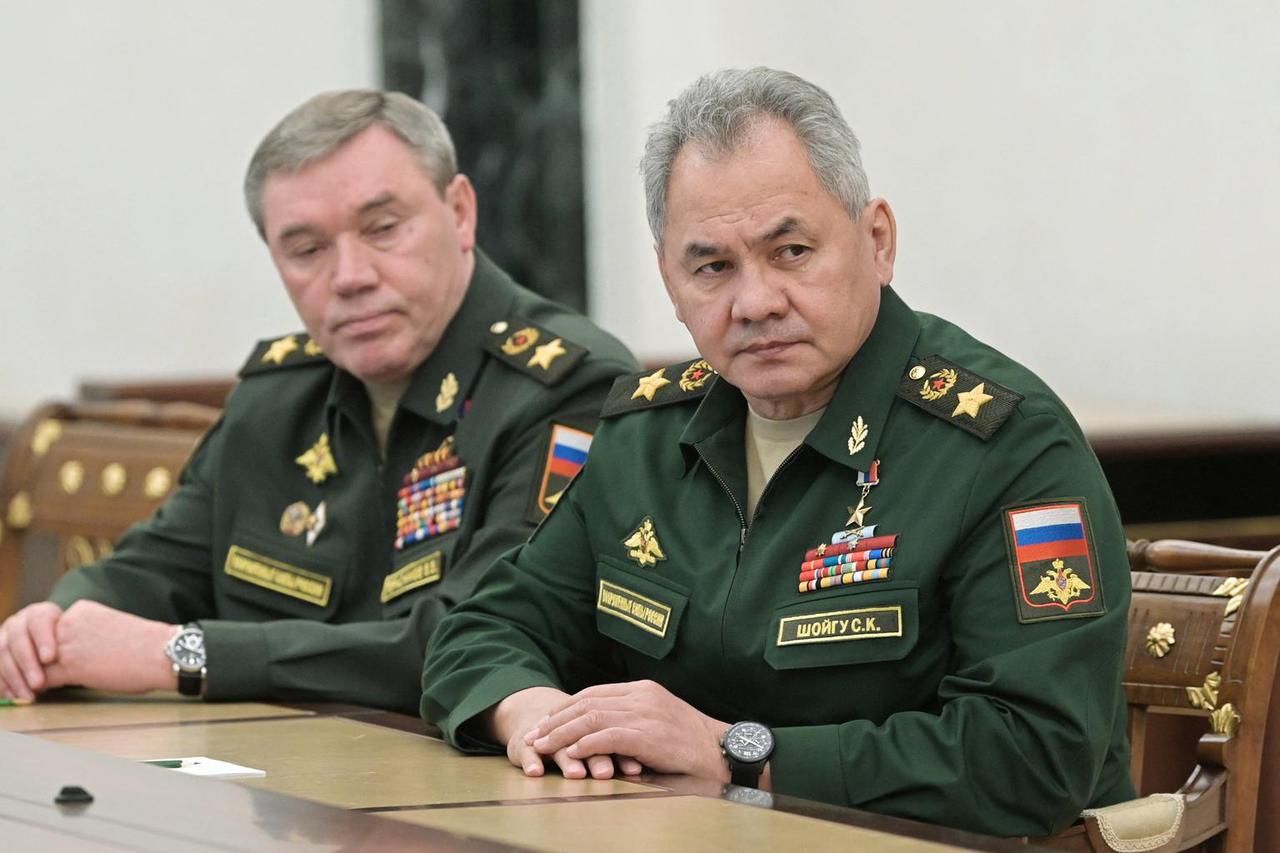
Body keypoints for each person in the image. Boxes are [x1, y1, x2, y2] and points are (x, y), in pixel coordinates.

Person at [421, 67, 1136, 836]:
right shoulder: (646, 434)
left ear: (877, 241)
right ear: (670, 279)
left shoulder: (1004, 444)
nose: (756, 301)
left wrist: (734, 755)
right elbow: (482, 630)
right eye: (713, 267)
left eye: (791, 251)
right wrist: (540, 716)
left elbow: (1035, 755)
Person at [0, 91, 637, 714]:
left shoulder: (565, 388)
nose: (350, 276)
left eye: (383, 230)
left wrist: (186, 655)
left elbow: (473, 641)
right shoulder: (281, 394)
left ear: (461, 211)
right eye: (307, 250)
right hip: (271, 780)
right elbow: (157, 566)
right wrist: (52, 626)